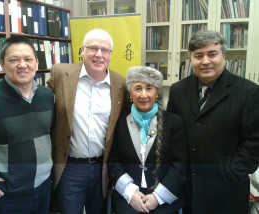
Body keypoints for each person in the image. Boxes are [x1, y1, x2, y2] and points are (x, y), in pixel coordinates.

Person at [167, 30, 259, 214]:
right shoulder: (178, 91)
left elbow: (254, 142)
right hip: (187, 190)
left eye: (212, 54)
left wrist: (231, 172)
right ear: (191, 59)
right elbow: (172, 134)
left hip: (227, 192)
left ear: (224, 56)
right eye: (198, 56)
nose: (205, 61)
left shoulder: (248, 92)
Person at [47, 28, 127, 214]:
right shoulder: (61, 74)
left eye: (105, 50)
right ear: (82, 50)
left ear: (110, 54)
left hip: (102, 168)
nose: (99, 54)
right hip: (69, 167)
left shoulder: (120, 83)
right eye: (93, 48)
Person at [0, 36, 55, 214]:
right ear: (2, 64)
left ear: (36, 62)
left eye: (27, 59)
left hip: (43, 190)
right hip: (6, 197)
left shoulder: (48, 96)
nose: (22, 64)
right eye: (14, 60)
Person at [108, 66, 187, 214]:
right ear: (130, 93)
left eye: (149, 88)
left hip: (163, 202)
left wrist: (157, 197)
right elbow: (113, 161)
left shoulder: (174, 123)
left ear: (157, 93)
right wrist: (130, 192)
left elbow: (179, 165)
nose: (143, 94)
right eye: (138, 88)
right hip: (128, 200)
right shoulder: (119, 122)